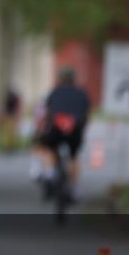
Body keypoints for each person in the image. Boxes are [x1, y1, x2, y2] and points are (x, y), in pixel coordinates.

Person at [36, 66, 90, 203]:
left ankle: (49, 174)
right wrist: (82, 132)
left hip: (56, 127)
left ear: (60, 79)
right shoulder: (82, 94)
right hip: (75, 128)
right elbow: (86, 116)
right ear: (74, 80)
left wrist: (42, 130)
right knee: (74, 156)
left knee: (48, 149)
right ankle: (74, 189)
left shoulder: (54, 92)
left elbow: (47, 114)